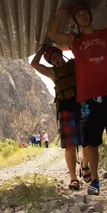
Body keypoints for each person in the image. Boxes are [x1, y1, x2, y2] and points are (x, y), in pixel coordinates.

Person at [47, 3, 107, 201]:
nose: (82, 16)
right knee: (92, 143)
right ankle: (95, 181)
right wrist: (59, 13)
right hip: (88, 99)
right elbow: (53, 33)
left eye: (84, 13)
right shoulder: (75, 40)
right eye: (78, 15)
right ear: (75, 21)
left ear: (90, 16)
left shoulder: (106, 34)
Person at [30, 46, 84, 190]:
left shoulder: (74, 63)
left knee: (88, 142)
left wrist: (73, 44)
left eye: (56, 56)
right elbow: (34, 64)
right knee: (70, 145)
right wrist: (42, 50)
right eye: (52, 59)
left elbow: (82, 54)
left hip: (81, 105)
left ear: (61, 54)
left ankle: (84, 165)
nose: (55, 60)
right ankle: (73, 178)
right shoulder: (52, 72)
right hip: (65, 109)